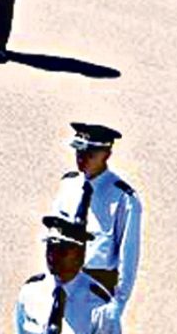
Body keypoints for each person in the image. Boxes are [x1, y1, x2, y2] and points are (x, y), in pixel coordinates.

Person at [49, 122, 141, 301]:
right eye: (78, 153)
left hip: (98, 282)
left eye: (89, 154)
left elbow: (128, 257)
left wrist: (118, 302)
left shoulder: (123, 198)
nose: (82, 159)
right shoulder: (68, 185)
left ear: (106, 155)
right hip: (64, 278)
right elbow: (54, 235)